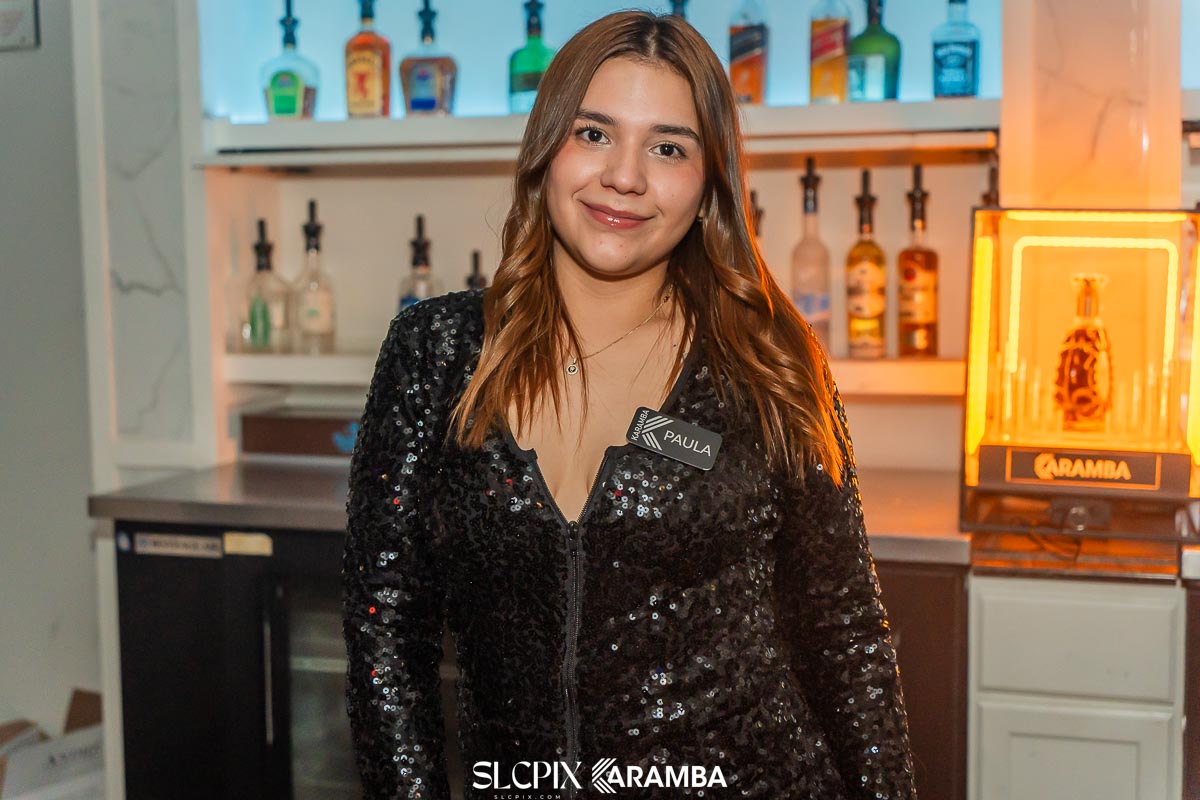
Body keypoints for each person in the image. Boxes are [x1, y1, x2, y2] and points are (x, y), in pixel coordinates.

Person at [342, 9, 917, 800]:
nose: (625, 177)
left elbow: (845, 634)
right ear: (546, 149)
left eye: (668, 147)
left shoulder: (768, 360)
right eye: (594, 134)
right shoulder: (437, 352)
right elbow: (385, 633)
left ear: (709, 183)